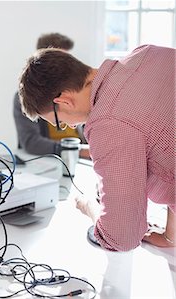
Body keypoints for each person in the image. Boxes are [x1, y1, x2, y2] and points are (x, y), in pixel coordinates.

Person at [17, 45, 175, 251]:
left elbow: (121, 237)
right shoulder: (147, 54)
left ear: (64, 101)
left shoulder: (107, 124)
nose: (70, 127)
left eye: (60, 122)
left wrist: (90, 207)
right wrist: (171, 236)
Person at [13, 32, 90, 159]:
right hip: (54, 159)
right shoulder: (29, 98)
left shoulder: (77, 90)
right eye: (61, 61)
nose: (68, 67)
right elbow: (31, 142)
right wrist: (76, 150)